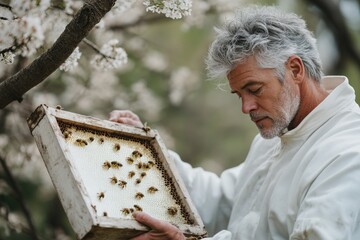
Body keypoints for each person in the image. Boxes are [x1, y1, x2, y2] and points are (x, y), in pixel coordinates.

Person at [109, 5, 360, 240]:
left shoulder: (347, 154)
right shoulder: (277, 133)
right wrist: (148, 155)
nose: (246, 107)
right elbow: (222, 203)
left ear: (295, 69)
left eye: (255, 89)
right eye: (240, 94)